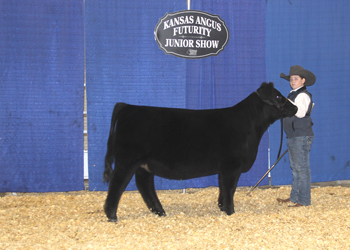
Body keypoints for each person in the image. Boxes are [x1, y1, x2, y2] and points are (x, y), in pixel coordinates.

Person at [277, 65, 316, 207]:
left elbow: (299, 113)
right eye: (291, 79)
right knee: (296, 168)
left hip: (301, 136)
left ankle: (304, 200)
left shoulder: (303, 95)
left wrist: (286, 104)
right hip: (294, 135)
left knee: (302, 169)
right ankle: (294, 197)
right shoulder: (293, 95)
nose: (292, 81)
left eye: (295, 79)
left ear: (303, 80)